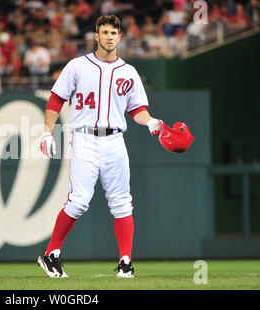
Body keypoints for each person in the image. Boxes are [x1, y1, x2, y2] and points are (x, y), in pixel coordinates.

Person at [37, 15, 162, 278]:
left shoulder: (128, 72)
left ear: (120, 37)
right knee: (79, 201)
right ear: (96, 36)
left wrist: (150, 121)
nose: (109, 37)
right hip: (85, 138)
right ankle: (50, 254)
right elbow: (56, 99)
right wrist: (47, 131)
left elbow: (137, 109)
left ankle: (126, 262)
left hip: (115, 140)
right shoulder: (77, 66)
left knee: (122, 203)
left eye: (113, 33)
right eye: (104, 32)